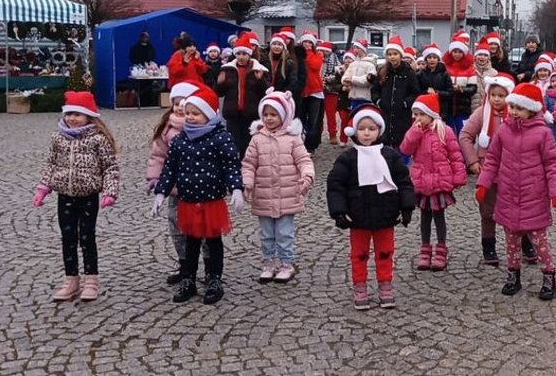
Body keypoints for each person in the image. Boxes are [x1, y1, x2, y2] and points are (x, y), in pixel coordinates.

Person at [152, 85, 244, 305]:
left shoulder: (221, 137)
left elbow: (231, 166)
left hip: (211, 200)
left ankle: (214, 278)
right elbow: (170, 168)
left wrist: (237, 188)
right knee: (191, 241)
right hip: (188, 200)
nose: (191, 118)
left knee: (213, 241)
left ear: (209, 115)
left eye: (196, 113)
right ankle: (188, 278)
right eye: (188, 113)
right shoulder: (181, 140)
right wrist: (161, 192)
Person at [476, 83, 556, 301]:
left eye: (518, 107)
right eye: (512, 107)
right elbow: (492, 159)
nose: (513, 111)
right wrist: (483, 184)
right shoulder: (504, 130)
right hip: (508, 194)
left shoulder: (543, 133)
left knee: (539, 241)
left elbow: (553, 164)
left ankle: (548, 275)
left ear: (532, 110)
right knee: (511, 241)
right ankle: (513, 275)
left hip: (533, 196)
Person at [326, 105, 416, 310]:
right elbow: (336, 185)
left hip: (386, 215)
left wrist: (407, 206)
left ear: (379, 131)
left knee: (385, 252)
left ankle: (385, 284)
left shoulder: (390, 155)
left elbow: (403, 181)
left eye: (372, 129)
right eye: (363, 128)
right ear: (355, 131)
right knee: (359, 254)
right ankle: (360, 286)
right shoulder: (348, 158)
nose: (367, 133)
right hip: (357, 217)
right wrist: (339, 211)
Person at [33, 91, 119, 302]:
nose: (72, 118)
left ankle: (91, 280)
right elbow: (51, 163)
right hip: (65, 195)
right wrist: (44, 187)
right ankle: (71, 279)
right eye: (69, 113)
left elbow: (110, 167)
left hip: (88, 195)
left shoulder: (97, 139)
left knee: (87, 237)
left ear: (89, 116)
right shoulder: (58, 138)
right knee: (68, 238)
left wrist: (110, 191)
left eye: (77, 114)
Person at [242, 89, 315, 284]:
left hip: (287, 193)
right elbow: (249, 164)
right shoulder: (257, 139)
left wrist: (307, 176)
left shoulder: (293, 138)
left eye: (273, 114)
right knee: (266, 234)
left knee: (284, 233)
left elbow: (303, 160)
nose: (269, 119)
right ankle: (268, 263)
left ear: (283, 116)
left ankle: (286, 263)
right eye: (265, 115)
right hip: (263, 195)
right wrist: (247, 182)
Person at [461, 73, 530, 265]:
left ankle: (527, 243)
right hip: (488, 171)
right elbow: (465, 135)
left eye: (502, 95)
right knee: (488, 211)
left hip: (514, 171)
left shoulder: (518, 114)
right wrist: (473, 161)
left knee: (520, 209)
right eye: (494, 95)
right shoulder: (482, 113)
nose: (497, 99)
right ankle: (488, 247)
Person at [399, 94, 467, 271]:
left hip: (439, 181)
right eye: (415, 114)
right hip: (421, 181)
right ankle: (425, 247)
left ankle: (441, 248)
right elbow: (405, 149)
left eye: (421, 114)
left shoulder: (445, 131)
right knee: (424, 218)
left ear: (431, 114)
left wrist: (458, 176)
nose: (417, 118)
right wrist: (415, 132)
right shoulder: (415, 131)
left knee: (439, 217)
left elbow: (455, 155)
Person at [146, 82, 201, 285]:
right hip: (175, 188)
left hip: (198, 188)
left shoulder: (201, 126)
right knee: (176, 226)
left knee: (201, 230)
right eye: (176, 103)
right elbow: (158, 155)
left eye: (183, 103)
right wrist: (154, 179)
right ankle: (185, 264)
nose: (179, 107)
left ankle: (209, 266)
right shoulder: (167, 128)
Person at [215, 36, 270, 158]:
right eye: (238, 53)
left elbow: (266, 92)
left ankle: (247, 166)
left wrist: (260, 80)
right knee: (233, 142)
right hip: (232, 112)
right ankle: (233, 166)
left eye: (244, 54)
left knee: (248, 142)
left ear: (249, 54)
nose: (241, 57)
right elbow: (219, 93)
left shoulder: (259, 69)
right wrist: (220, 83)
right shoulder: (227, 69)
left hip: (250, 112)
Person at [371, 35, 421, 149]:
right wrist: (378, 101)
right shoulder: (383, 71)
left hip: (402, 115)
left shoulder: (408, 72)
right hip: (385, 113)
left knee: (401, 144)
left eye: (395, 54)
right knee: (385, 144)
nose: (392, 57)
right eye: (389, 54)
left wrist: (405, 103)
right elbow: (375, 90)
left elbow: (415, 93)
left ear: (400, 55)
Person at [442, 36, 477, 135]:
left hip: (463, 108)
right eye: (455, 51)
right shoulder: (444, 67)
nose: (457, 54)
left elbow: (473, 88)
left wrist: (462, 89)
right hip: (447, 107)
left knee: (463, 133)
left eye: (460, 52)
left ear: (464, 53)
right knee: (448, 135)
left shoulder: (470, 68)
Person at [298, 31, 326, 155]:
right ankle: (300, 143)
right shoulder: (297, 55)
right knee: (301, 118)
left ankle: (310, 146)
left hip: (315, 91)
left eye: (310, 42)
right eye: (305, 42)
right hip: (302, 91)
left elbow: (315, 66)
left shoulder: (317, 55)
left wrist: (307, 53)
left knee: (313, 121)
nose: (307, 44)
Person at [417, 43, 453, 123]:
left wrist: (437, 92)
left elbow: (450, 92)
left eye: (434, 57)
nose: (432, 60)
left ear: (438, 59)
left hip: (441, 111)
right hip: (425, 110)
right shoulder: (420, 75)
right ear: (426, 59)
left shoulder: (444, 74)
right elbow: (417, 92)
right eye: (429, 57)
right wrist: (426, 92)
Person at [342, 39, 377, 109]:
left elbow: (368, 80)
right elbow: (345, 76)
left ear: (363, 49)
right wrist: (345, 80)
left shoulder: (370, 65)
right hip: (353, 97)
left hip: (364, 98)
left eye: (357, 48)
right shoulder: (352, 64)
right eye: (354, 47)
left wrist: (352, 79)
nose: (355, 50)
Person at [319, 42, 342, 145]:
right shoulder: (317, 59)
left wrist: (330, 78)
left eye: (324, 51)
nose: (322, 53)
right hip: (318, 89)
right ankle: (317, 134)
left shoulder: (334, 59)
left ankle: (332, 134)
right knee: (318, 115)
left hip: (331, 90)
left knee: (330, 114)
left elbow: (338, 74)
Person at [470, 41, 497, 112]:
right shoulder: (469, 70)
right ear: (475, 56)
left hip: (487, 108)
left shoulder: (494, 73)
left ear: (489, 58)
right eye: (480, 54)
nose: (482, 57)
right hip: (470, 108)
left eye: (485, 55)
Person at [336, 51, 355, 147]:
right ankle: (343, 139)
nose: (348, 60)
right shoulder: (340, 71)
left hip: (354, 98)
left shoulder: (356, 71)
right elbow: (335, 85)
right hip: (343, 100)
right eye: (346, 58)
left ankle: (357, 139)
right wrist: (342, 88)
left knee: (354, 121)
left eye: (350, 58)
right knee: (344, 119)